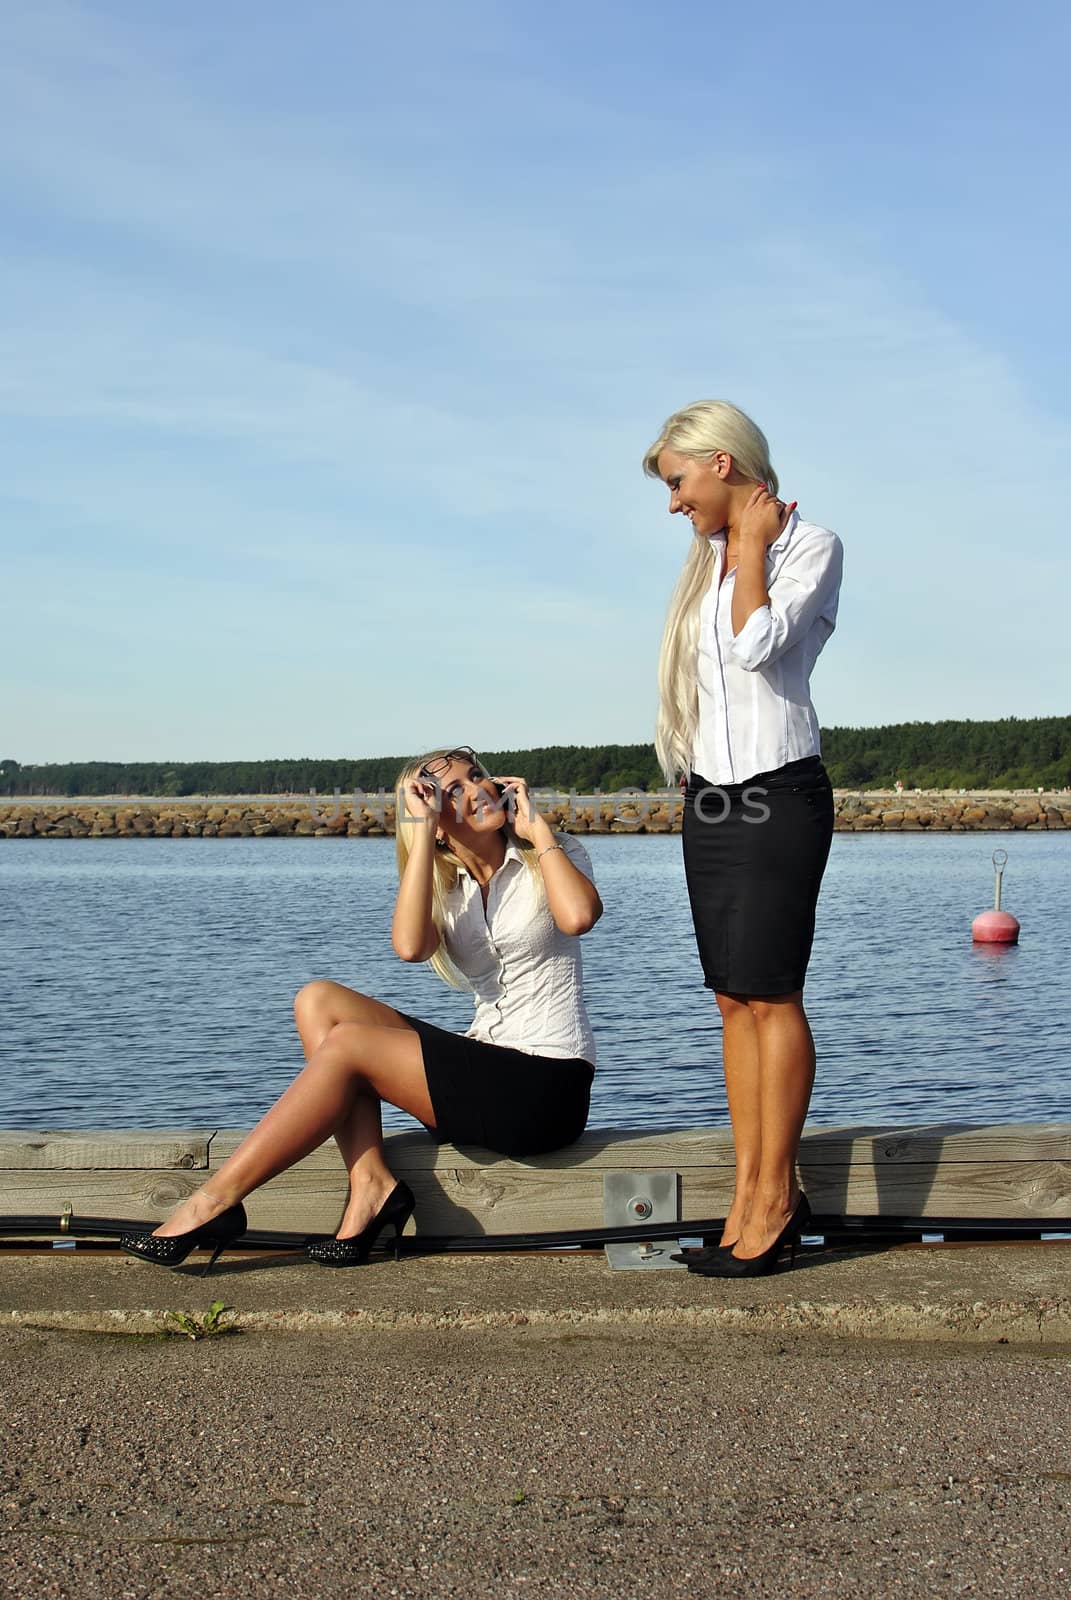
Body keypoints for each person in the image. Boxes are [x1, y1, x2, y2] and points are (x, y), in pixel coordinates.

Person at [120, 747, 602, 1273]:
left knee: (348, 1046)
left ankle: (213, 1202)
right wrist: (421, 839)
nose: (477, 791)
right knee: (318, 1002)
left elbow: (578, 917)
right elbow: (410, 947)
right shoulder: (446, 888)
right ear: (435, 820)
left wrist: (541, 834)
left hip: (548, 1088)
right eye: (452, 792)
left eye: (478, 777)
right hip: (484, 1069)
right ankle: (371, 1182)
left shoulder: (553, 854)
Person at [643, 400, 843, 1277]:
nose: (673, 504)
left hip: (779, 792)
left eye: (678, 482)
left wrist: (753, 546)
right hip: (712, 802)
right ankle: (747, 1191)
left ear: (721, 464)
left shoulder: (808, 545)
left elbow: (757, 646)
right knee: (730, 998)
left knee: (772, 994)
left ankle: (774, 1200)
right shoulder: (703, 562)